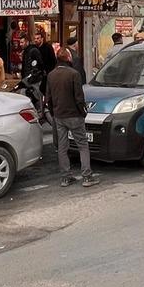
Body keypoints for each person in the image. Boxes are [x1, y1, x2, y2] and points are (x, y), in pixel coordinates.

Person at [47, 48, 99, 188]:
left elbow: (49, 98)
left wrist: (53, 112)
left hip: (59, 115)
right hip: (74, 115)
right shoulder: (74, 74)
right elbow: (79, 98)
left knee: (63, 147)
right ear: (67, 58)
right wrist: (83, 112)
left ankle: (65, 177)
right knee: (82, 145)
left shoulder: (51, 75)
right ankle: (87, 176)